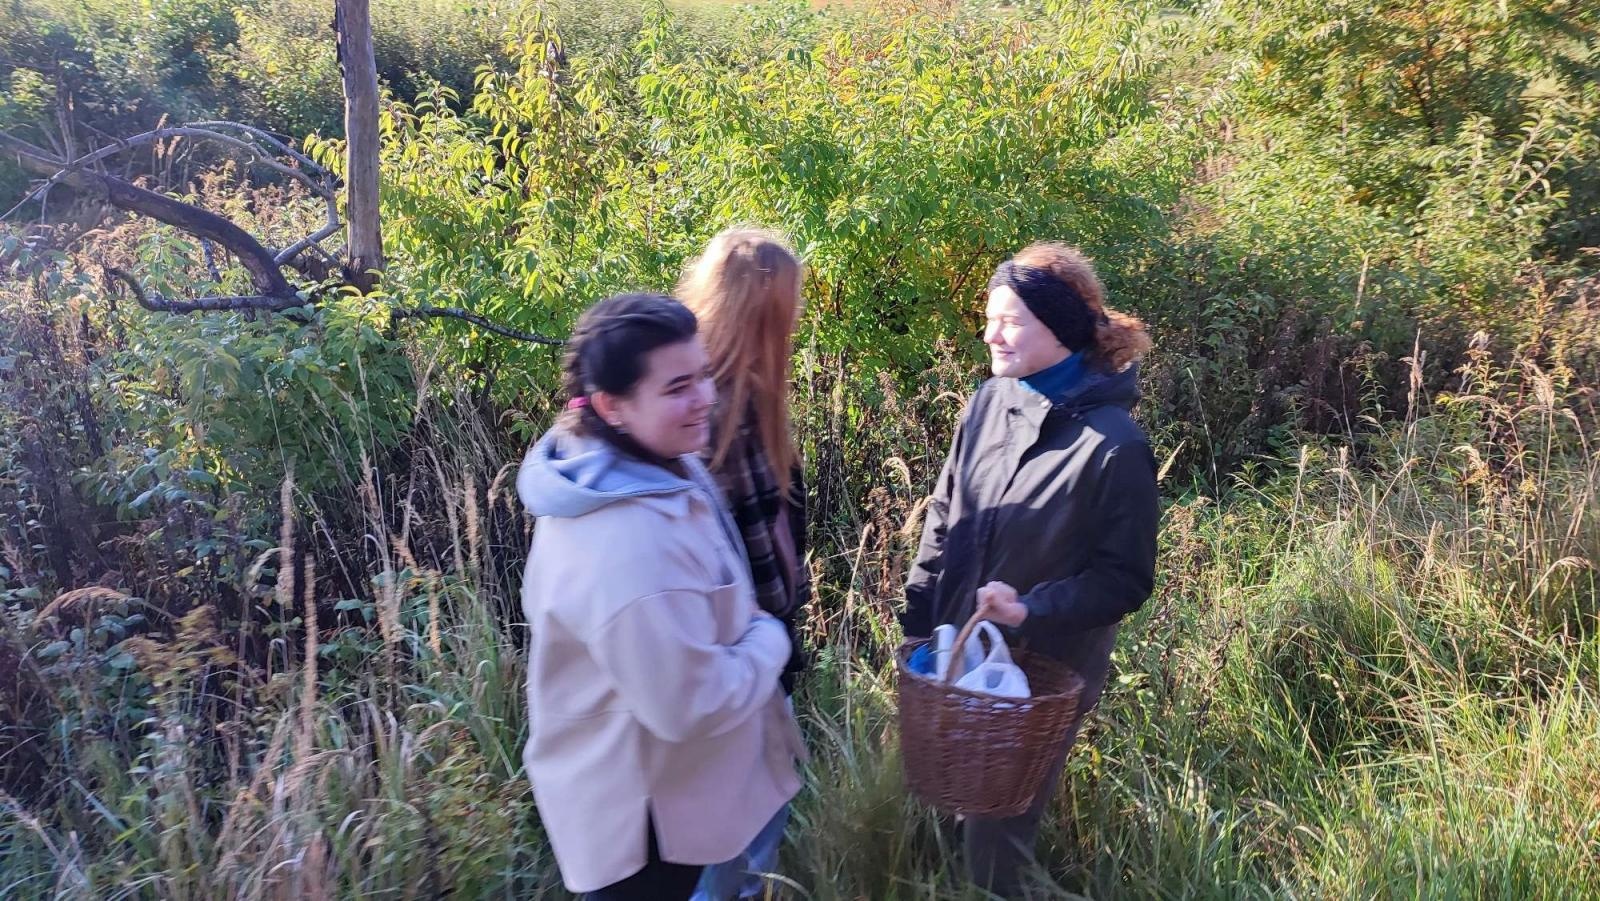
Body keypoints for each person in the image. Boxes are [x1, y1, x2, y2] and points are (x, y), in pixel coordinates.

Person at [516, 292, 805, 900]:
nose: (705, 397)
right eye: (677, 388)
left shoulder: (650, 466)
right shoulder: (625, 539)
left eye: (702, 375)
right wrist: (769, 638)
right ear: (610, 406)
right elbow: (690, 704)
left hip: (662, 794)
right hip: (644, 827)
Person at [900, 243, 1160, 897]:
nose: (990, 333)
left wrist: (1030, 608)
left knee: (997, 839)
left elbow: (1123, 580)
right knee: (939, 808)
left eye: (1009, 320)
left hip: (1037, 679)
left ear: (1061, 329)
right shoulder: (990, 400)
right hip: (959, 652)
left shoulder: (1115, 446)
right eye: (989, 317)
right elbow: (945, 516)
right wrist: (919, 619)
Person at [677, 228, 810, 899]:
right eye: (788, 305)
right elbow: (720, 555)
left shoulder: (731, 393)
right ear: (762, 312)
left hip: (747, 655)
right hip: (735, 659)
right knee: (733, 845)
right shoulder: (713, 409)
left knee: (745, 830)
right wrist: (767, 637)